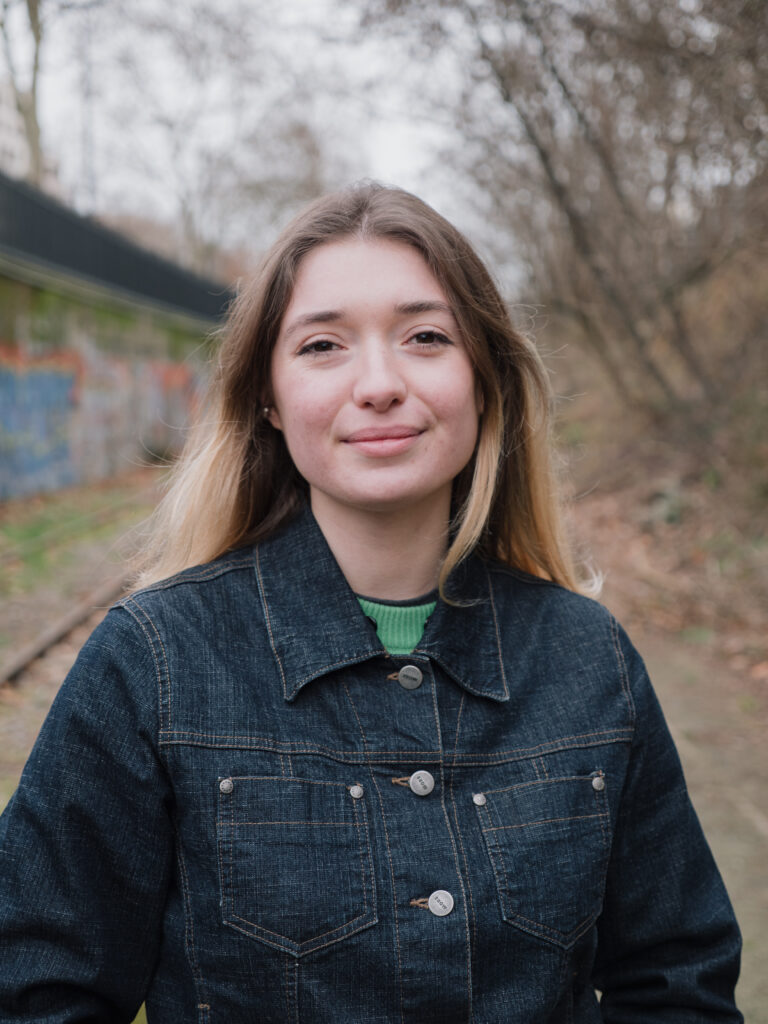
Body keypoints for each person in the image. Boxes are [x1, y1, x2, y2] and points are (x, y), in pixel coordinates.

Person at [0, 182, 742, 1023]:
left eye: (426, 336)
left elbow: (677, 981)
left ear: (484, 379)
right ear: (268, 399)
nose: (380, 383)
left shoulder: (589, 657)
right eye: (323, 345)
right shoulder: (152, 664)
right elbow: (36, 993)